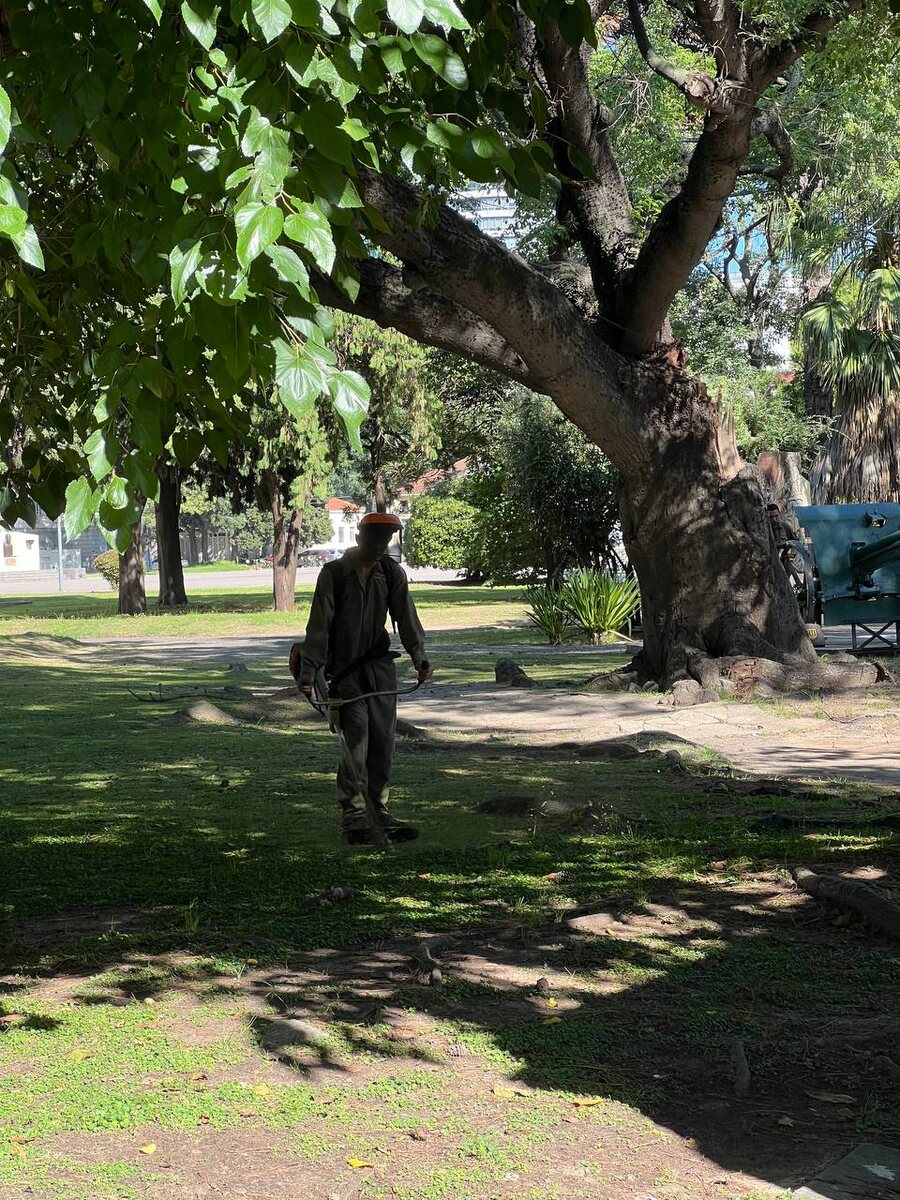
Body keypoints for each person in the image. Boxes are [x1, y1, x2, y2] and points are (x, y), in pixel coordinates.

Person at [296, 512, 433, 845]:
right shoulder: (334, 574)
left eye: (385, 540)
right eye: (374, 539)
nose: (380, 546)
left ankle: (380, 811)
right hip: (345, 675)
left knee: (383, 745)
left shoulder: (391, 572)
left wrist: (420, 658)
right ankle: (354, 818)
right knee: (355, 744)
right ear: (359, 537)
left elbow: (406, 617)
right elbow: (319, 626)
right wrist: (309, 672)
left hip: (381, 671)